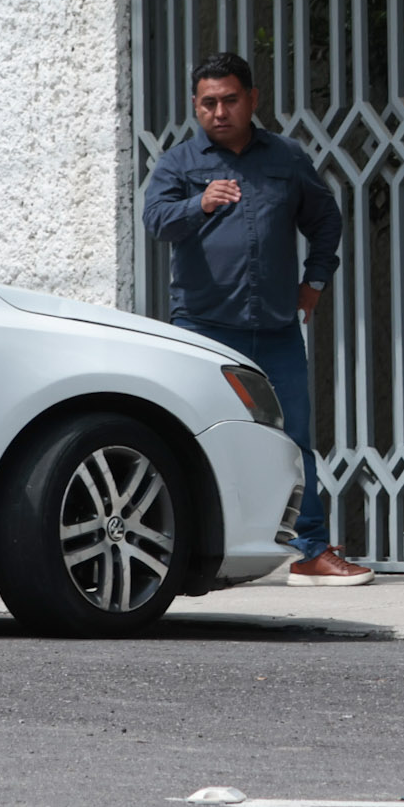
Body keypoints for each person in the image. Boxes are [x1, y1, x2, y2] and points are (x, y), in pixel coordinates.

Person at [140, 52, 370, 587]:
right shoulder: (180, 164)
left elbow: (326, 221)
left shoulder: (286, 158)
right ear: (196, 107)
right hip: (203, 329)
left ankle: (311, 552)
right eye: (208, 103)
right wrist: (199, 204)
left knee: (293, 440)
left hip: (275, 329)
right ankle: (184, 551)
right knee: (194, 436)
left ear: (252, 99)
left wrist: (313, 283)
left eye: (230, 100)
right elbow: (155, 221)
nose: (219, 112)